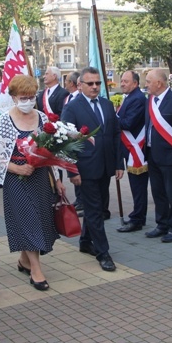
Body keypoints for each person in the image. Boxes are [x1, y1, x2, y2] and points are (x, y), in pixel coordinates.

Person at [0, 75, 64, 290]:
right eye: (23, 97)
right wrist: (16, 167)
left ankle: (24, 260)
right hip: (17, 179)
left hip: (39, 177)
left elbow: (51, 150)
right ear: (13, 97)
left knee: (39, 219)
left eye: (31, 97)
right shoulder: (5, 120)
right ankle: (36, 271)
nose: (28, 101)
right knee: (28, 220)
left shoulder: (42, 118)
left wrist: (57, 180)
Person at [61, 67, 124, 272]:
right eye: (90, 83)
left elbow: (115, 134)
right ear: (80, 85)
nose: (95, 87)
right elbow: (66, 141)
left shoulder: (106, 104)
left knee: (97, 206)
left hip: (105, 166)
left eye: (98, 83)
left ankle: (85, 241)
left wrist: (118, 164)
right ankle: (103, 252)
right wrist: (72, 171)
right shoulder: (73, 107)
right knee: (95, 209)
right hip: (85, 169)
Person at [143, 69, 172, 243]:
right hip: (152, 154)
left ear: (159, 83)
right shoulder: (150, 100)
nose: (145, 84)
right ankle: (161, 224)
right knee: (157, 192)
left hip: (171, 157)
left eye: (148, 81)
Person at [116, 70, 149, 233]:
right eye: (121, 81)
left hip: (137, 149)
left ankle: (138, 219)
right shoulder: (129, 97)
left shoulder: (137, 99)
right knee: (136, 186)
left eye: (126, 81)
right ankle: (136, 215)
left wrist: (111, 118)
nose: (122, 84)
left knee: (139, 186)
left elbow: (128, 123)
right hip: (130, 148)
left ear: (135, 83)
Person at [64, 71, 83, 215]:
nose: (65, 83)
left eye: (66, 80)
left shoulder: (80, 99)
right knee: (73, 168)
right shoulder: (68, 97)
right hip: (67, 139)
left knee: (80, 171)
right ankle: (79, 199)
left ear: (72, 83)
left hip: (78, 139)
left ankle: (83, 200)